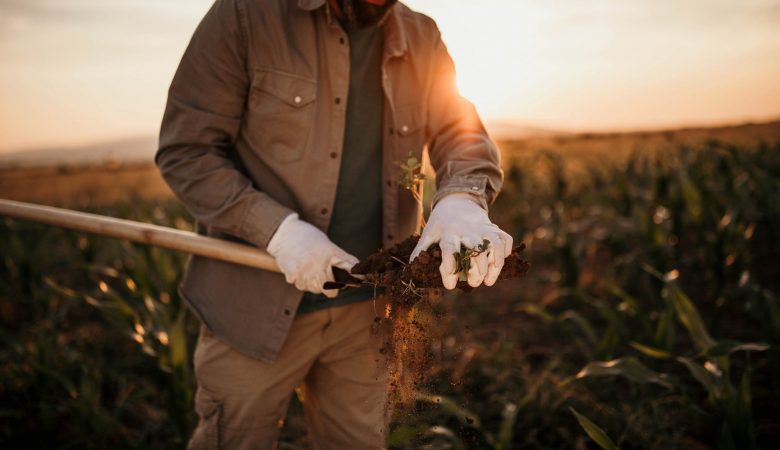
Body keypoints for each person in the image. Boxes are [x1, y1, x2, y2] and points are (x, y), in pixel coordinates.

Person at [156, 0, 512, 448]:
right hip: (251, 310)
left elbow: (460, 133)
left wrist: (462, 198)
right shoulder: (246, 15)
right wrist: (279, 231)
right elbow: (187, 152)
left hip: (365, 313)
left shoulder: (421, 36)